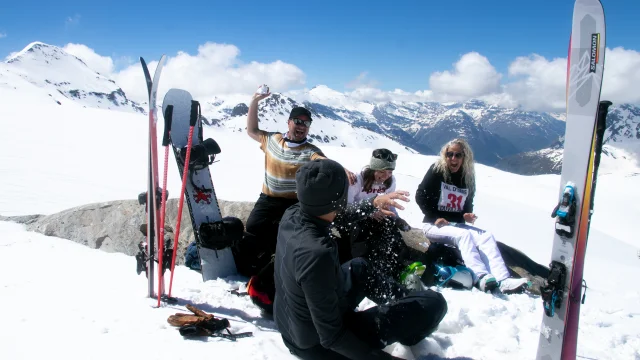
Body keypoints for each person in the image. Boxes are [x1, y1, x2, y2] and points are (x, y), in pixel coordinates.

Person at [274, 159, 448, 360]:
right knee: (435, 303)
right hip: (319, 346)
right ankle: (412, 323)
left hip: (293, 326)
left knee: (358, 266)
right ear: (338, 200)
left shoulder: (294, 213)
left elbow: (334, 215)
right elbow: (332, 337)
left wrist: (373, 203)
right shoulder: (316, 253)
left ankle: (405, 301)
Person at [233, 86, 355, 313]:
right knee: (253, 228)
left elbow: (323, 163)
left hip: (293, 204)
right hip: (268, 198)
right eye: (297, 122)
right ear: (288, 122)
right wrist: (254, 102)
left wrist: (341, 169)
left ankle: (273, 269)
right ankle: (257, 266)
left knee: (286, 236)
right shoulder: (272, 140)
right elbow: (251, 130)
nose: (301, 126)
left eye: (305, 124)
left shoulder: (310, 150)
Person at [415, 138, 529, 294]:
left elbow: (467, 204)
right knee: (464, 235)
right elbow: (420, 196)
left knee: (487, 236)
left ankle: (503, 280)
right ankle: (480, 277)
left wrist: (467, 214)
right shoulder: (437, 170)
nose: (453, 159)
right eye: (449, 154)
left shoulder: (467, 177)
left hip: (456, 225)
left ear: (464, 157)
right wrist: (434, 217)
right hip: (434, 225)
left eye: (458, 155)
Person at [335, 148, 413, 301]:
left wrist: (396, 218)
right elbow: (347, 207)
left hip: (377, 216)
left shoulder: (390, 181)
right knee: (363, 235)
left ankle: (396, 270)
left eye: (389, 172)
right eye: (382, 172)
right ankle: (366, 272)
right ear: (373, 168)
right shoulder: (357, 179)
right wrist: (369, 211)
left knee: (391, 231)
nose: (386, 176)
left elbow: (388, 203)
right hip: (356, 219)